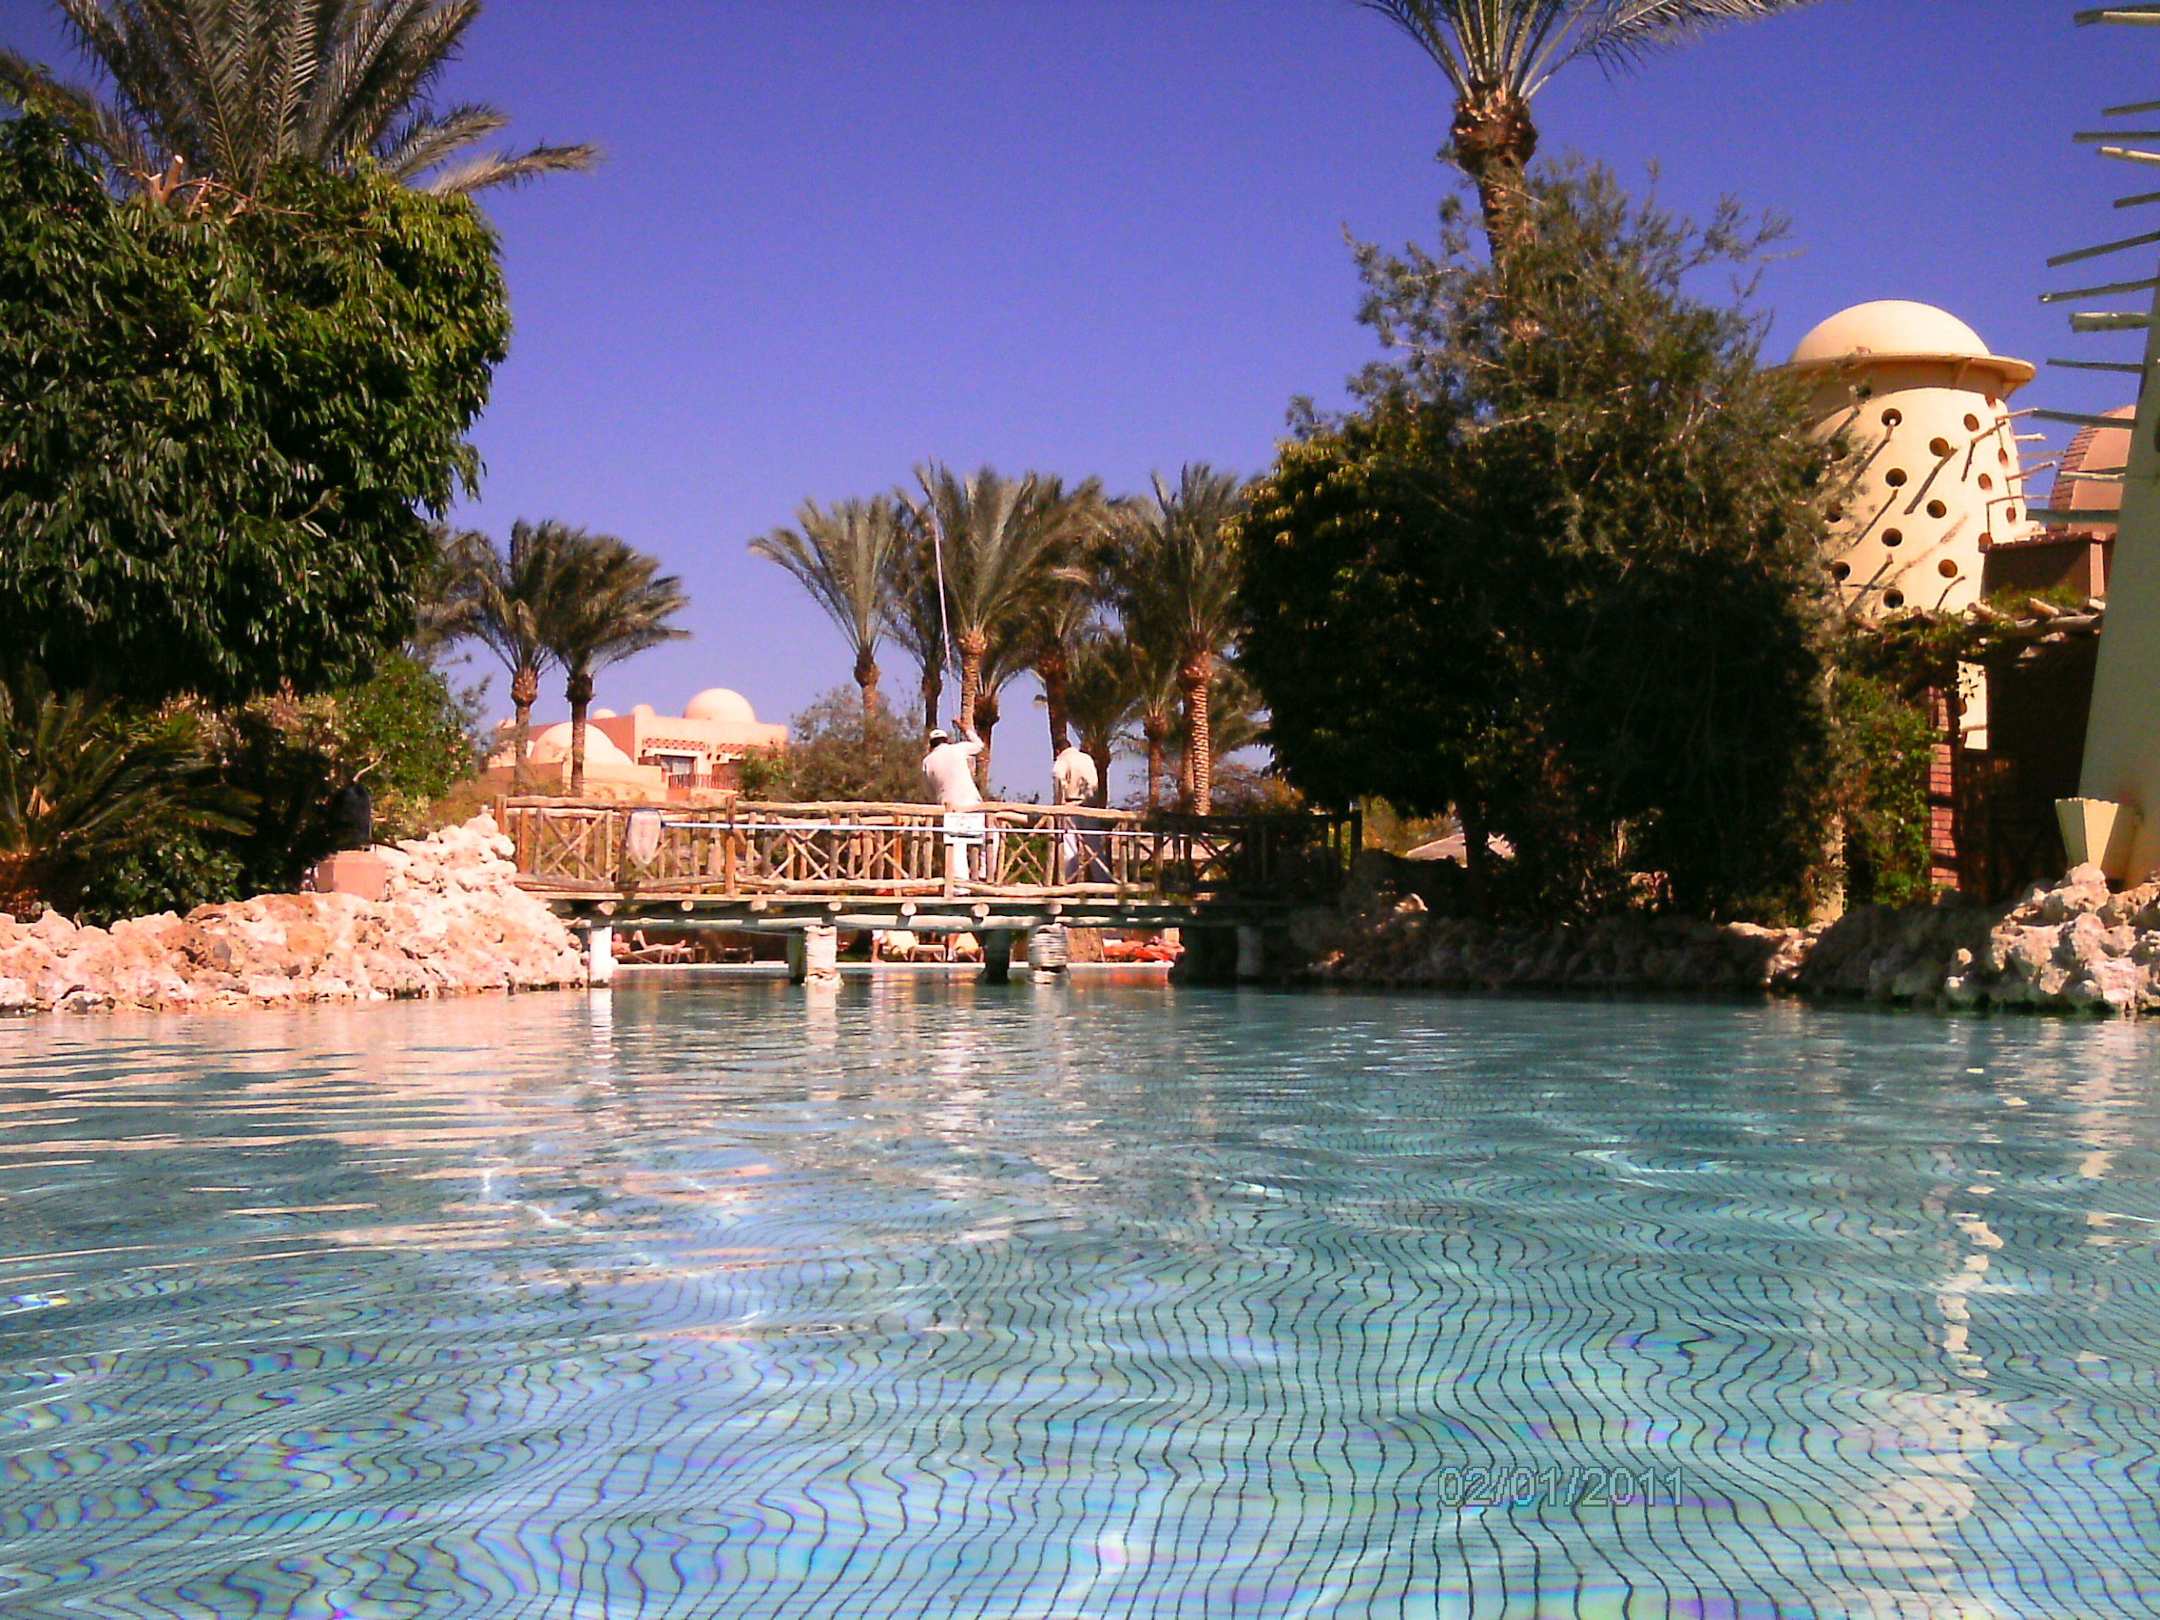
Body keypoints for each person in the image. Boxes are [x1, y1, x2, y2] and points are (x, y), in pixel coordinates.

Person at [921, 722, 986, 883]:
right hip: (971, 802)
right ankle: (984, 873)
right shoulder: (958, 749)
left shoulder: (927, 761)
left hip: (949, 807)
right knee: (989, 836)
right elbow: (979, 746)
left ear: (931, 745)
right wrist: (966, 729)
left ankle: (960, 885)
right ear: (947, 740)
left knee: (956, 844)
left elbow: (928, 790)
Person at [1051, 742, 1101, 881]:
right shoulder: (1087, 758)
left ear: (1058, 750)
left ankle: (1068, 880)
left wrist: (1058, 801)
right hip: (1090, 806)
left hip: (1070, 805)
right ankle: (1103, 881)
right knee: (1094, 846)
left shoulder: (1063, 758)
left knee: (1069, 847)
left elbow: (1057, 776)